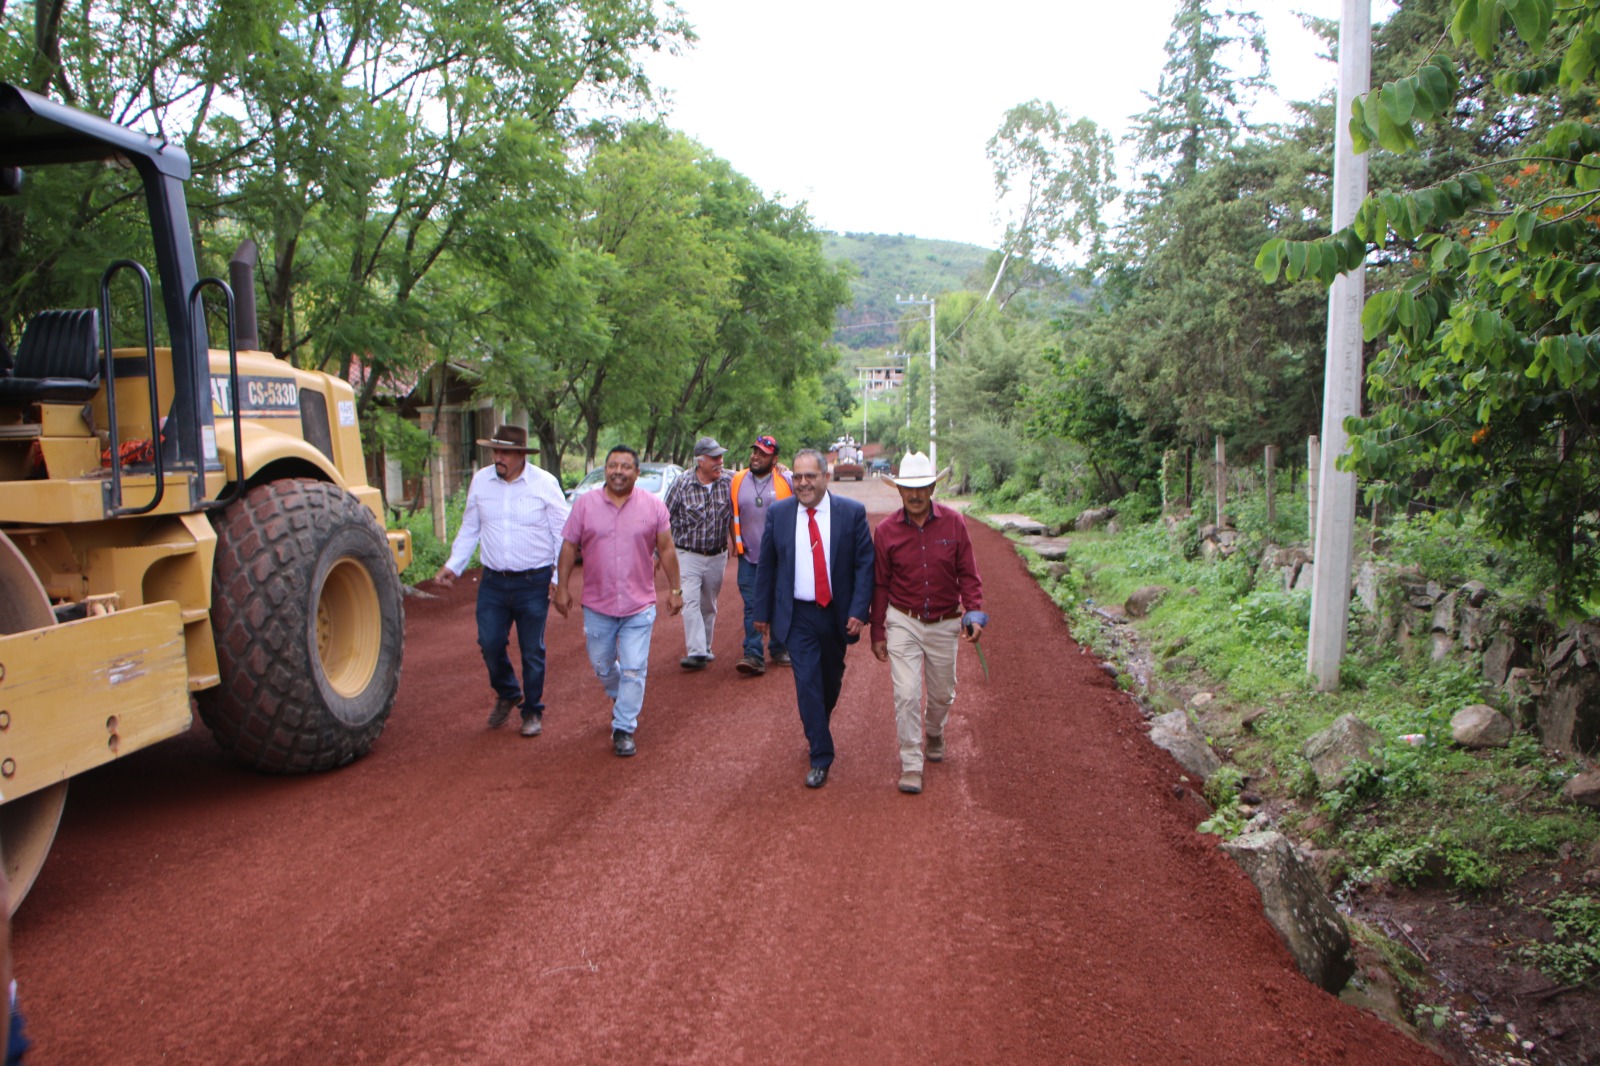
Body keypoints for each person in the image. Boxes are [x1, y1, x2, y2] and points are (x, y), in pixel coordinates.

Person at [435, 424, 570, 738]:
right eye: (495, 451)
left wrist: (557, 578)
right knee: (489, 642)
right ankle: (508, 691)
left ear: (522, 455)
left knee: (531, 649)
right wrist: (454, 565)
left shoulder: (544, 484)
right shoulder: (481, 481)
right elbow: (470, 527)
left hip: (533, 581)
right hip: (494, 582)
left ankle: (532, 710)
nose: (498, 457)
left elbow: (563, 535)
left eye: (505, 452)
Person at [753, 448, 874, 788]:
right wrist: (761, 612)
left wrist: (859, 610)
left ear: (826, 477)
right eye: (797, 476)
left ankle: (818, 721)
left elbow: (865, 565)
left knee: (830, 682)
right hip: (797, 614)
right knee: (806, 682)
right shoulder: (779, 514)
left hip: (836, 613)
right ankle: (821, 754)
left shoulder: (851, 513)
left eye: (810, 476)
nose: (803, 483)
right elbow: (767, 565)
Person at [869, 452, 987, 795]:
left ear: (933, 488)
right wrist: (878, 630)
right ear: (899, 491)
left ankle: (934, 730)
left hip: (944, 621)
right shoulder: (886, 531)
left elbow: (968, 573)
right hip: (903, 620)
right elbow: (880, 584)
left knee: (942, 693)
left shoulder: (954, 523)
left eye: (922, 487)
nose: (916, 495)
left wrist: (974, 611)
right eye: (909, 488)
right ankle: (911, 762)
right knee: (906, 694)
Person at [554, 445, 683, 757]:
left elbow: (666, 549)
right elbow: (569, 546)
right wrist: (562, 587)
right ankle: (621, 695)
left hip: (639, 605)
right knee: (602, 665)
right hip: (597, 605)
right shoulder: (585, 506)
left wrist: (675, 590)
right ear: (605, 469)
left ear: (636, 473)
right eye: (613, 466)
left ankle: (624, 727)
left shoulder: (653, 506)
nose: (618, 472)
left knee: (634, 668)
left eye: (626, 467)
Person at [663, 436, 733, 670]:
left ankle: (706, 647)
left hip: (717, 555)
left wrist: (780, 469)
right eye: (714, 458)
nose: (720, 461)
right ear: (700, 461)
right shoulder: (681, 484)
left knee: (708, 605)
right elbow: (663, 518)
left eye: (720, 457)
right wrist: (657, 553)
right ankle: (697, 652)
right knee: (690, 601)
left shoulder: (729, 481)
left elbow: (755, 478)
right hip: (687, 554)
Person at [731, 435, 793, 676]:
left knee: (779, 602)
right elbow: (732, 513)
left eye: (763, 454)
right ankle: (753, 654)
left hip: (779, 558)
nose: (756, 457)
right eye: (755, 452)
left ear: (774, 459)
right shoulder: (737, 480)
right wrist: (736, 543)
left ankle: (779, 647)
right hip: (748, 557)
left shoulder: (787, 480)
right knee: (752, 606)